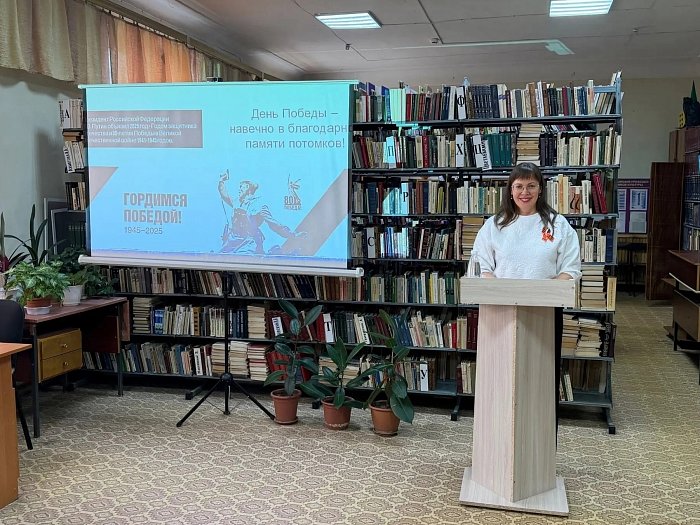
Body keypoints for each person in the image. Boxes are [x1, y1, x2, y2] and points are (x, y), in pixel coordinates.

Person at [470, 162, 582, 437]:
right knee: (501, 383)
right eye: (519, 186)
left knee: (540, 383)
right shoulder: (494, 225)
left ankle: (540, 446)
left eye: (531, 185)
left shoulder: (558, 224)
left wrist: (541, 294)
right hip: (499, 315)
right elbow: (482, 267)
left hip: (544, 315)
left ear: (540, 189)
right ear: (510, 190)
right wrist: (503, 294)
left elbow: (570, 269)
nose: (525, 192)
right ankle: (497, 443)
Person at [217, 169, 305, 254]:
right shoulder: (236, 202)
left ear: (248, 188)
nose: (239, 190)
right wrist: (222, 181)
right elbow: (225, 195)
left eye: (241, 187)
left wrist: (292, 235)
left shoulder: (258, 204)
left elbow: (273, 224)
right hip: (230, 243)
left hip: (247, 244)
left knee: (244, 259)